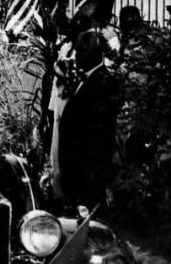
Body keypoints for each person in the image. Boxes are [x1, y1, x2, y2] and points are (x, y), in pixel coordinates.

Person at [52, 31, 123, 208]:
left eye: (83, 51)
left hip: (86, 174)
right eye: (78, 50)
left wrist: (85, 176)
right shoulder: (82, 78)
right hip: (73, 172)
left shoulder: (105, 82)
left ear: (96, 53)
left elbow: (96, 136)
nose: (77, 55)